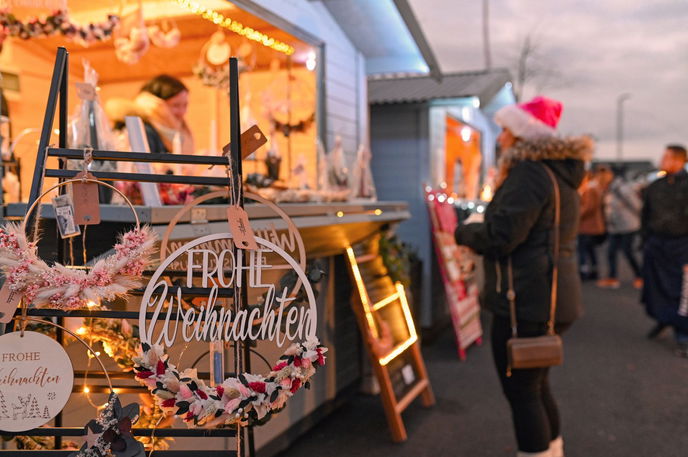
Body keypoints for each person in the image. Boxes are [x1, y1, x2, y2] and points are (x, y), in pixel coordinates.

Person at [455, 96, 590, 457]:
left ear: (522, 135)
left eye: (504, 130)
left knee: (522, 391)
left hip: (527, 300)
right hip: (552, 295)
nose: (499, 139)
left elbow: (502, 236)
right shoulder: (559, 174)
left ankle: (538, 451)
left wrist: (464, 231)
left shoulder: (529, 173)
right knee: (537, 385)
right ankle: (552, 449)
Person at [641, 144, 688, 357]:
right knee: (656, 287)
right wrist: (645, 241)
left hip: (681, 246)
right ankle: (663, 319)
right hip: (656, 244)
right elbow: (646, 214)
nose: (662, 160)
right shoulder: (656, 185)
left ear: (679, 160)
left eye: (667, 157)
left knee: (679, 290)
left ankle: (682, 330)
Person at [107, 74, 194, 155]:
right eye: (176, 105)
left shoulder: (177, 130)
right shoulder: (142, 130)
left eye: (185, 105)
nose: (182, 112)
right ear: (155, 104)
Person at [596, 170, 643, 289]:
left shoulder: (621, 188)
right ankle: (612, 278)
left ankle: (640, 276)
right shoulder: (609, 190)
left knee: (628, 252)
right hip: (615, 227)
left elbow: (637, 205)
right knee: (611, 252)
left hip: (628, 226)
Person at [577, 168, 606, 280]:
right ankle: (594, 270)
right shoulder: (595, 188)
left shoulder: (589, 189)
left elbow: (588, 207)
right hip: (594, 225)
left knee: (583, 250)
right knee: (591, 250)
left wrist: (577, 215)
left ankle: (584, 271)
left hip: (587, 226)